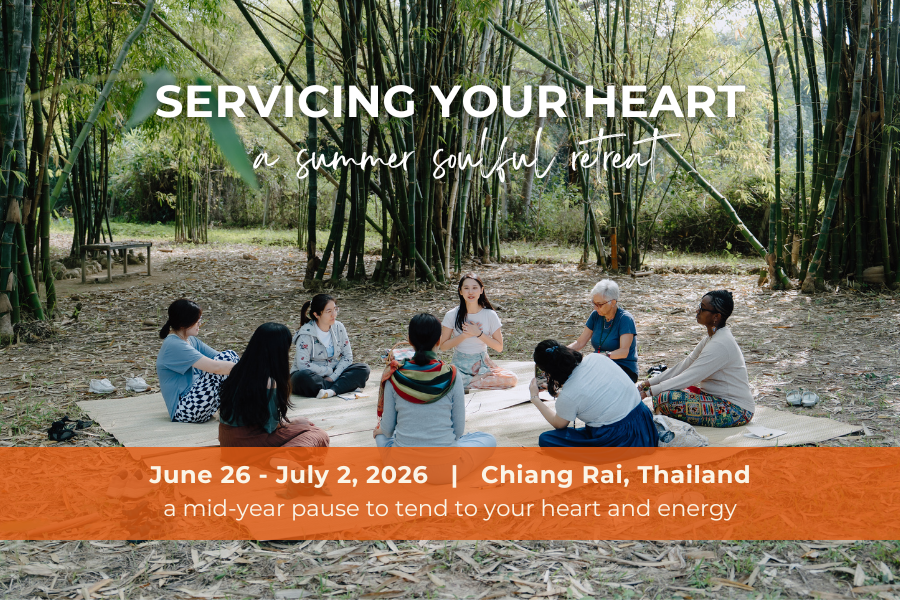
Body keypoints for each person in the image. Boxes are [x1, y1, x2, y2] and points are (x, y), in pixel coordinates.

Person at [375, 313, 495, 482]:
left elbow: (387, 430)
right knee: (488, 439)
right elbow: (458, 431)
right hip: (447, 470)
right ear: (439, 340)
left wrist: (383, 430)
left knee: (381, 435)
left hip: (402, 469)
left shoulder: (394, 375)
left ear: (409, 340)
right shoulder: (452, 375)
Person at [637, 290, 754, 428]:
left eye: (702, 308)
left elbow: (689, 377)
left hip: (736, 410)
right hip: (714, 399)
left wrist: (648, 392)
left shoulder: (720, 344)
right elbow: (684, 366)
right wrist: (646, 384)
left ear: (716, 317)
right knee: (662, 394)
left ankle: (662, 415)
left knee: (664, 397)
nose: (697, 310)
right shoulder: (712, 338)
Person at [218, 322, 330, 449]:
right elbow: (270, 427)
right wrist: (293, 422)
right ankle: (282, 457)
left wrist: (294, 422)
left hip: (227, 441)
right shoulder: (268, 382)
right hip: (249, 442)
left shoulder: (238, 371)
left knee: (306, 432)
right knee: (317, 434)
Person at [529, 340, 658, 447]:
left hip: (621, 440)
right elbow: (595, 393)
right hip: (645, 425)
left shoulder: (568, 395)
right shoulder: (596, 358)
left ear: (549, 372)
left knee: (546, 439)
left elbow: (558, 424)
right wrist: (559, 394)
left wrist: (535, 398)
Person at [156, 299, 238, 423]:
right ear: (184, 323)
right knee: (227, 360)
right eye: (197, 320)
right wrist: (252, 372)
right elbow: (216, 367)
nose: (200, 324)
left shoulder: (190, 340)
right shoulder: (174, 345)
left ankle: (236, 408)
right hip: (184, 410)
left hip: (196, 402)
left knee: (230, 356)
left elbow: (220, 357)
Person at [439, 273, 512, 390]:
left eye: (474, 288)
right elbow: (443, 346)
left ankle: (465, 383)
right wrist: (465, 335)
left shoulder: (490, 314)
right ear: (460, 291)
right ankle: (473, 381)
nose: (470, 292)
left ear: (481, 290)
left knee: (511, 379)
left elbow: (499, 347)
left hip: (482, 364)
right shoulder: (451, 315)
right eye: (466, 288)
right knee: (445, 378)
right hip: (460, 363)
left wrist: (478, 333)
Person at [291, 294, 370, 398]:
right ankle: (342, 386)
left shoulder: (339, 327)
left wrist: (333, 377)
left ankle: (331, 391)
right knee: (303, 378)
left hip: (334, 373)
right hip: (312, 375)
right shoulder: (306, 334)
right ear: (316, 314)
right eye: (329, 311)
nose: (334, 314)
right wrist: (327, 371)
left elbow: (347, 357)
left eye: (335, 309)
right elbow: (303, 365)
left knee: (363, 369)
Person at [569, 279, 639, 382]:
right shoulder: (595, 316)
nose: (595, 308)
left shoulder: (625, 319)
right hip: (600, 364)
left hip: (623, 368)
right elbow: (580, 342)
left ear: (613, 302)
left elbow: (623, 352)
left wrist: (600, 356)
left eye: (599, 304)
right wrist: (562, 351)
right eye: (594, 303)